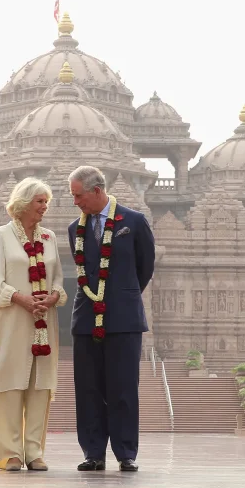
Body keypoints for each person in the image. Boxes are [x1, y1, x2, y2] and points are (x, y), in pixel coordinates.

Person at [67, 165, 155, 472]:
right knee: (88, 388)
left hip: (124, 318)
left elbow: (145, 268)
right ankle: (93, 452)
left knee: (123, 388)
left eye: (78, 195)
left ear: (96, 190)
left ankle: (125, 452)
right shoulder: (73, 229)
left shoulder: (133, 222)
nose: (75, 202)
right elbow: (84, 271)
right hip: (86, 318)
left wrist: (123, 295)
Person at [0, 177, 67, 471]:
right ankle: (9, 453)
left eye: (46, 202)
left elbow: (56, 278)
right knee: (8, 382)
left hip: (43, 319)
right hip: (12, 318)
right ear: (24, 203)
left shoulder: (49, 238)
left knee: (40, 385)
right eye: (40, 202)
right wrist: (21, 299)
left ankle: (34, 452)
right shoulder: (0, 235)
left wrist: (53, 297)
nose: (44, 207)